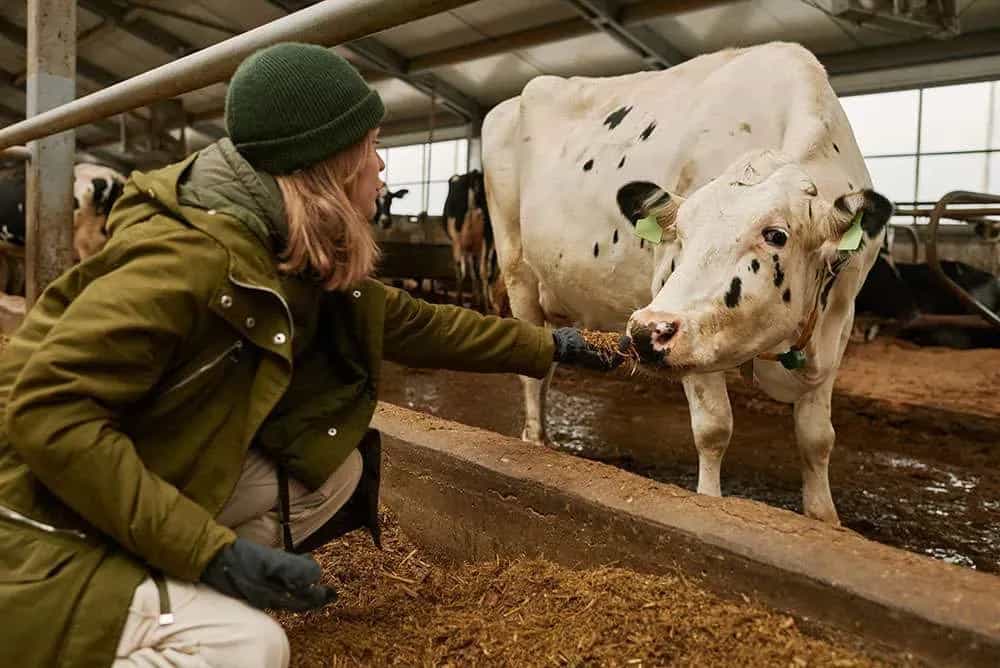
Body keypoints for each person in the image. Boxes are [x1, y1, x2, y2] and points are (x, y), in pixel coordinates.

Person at [0, 43, 621, 668]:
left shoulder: (281, 241)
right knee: (251, 647)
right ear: (331, 164)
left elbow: (409, 322)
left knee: (331, 467)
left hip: (114, 469)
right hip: (34, 519)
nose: (380, 166)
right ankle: (155, 601)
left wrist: (552, 345)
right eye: (371, 147)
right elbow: (47, 415)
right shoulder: (191, 260)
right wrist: (212, 553)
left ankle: (171, 582)